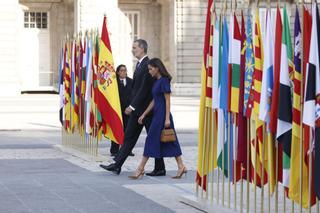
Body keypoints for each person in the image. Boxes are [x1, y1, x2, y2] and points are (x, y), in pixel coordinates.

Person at [100, 39, 166, 175]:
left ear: (142, 49)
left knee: (152, 138)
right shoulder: (140, 64)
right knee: (129, 137)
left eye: (135, 47)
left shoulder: (148, 64)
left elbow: (144, 89)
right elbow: (137, 89)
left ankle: (160, 168)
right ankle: (117, 165)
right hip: (139, 111)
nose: (133, 50)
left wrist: (132, 106)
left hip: (146, 111)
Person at [128, 58, 187, 180]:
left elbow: (167, 100)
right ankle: (181, 166)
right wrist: (144, 114)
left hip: (163, 116)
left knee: (151, 139)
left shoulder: (164, 81)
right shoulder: (157, 81)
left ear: (157, 68)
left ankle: (140, 168)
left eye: (150, 69)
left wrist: (167, 119)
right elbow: (154, 100)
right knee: (169, 141)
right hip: (157, 114)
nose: (149, 71)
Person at [109, 64, 134, 157]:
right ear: (118, 72)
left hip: (129, 110)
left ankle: (127, 150)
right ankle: (114, 150)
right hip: (117, 109)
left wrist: (132, 107)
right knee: (116, 129)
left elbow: (134, 94)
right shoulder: (114, 83)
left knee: (128, 130)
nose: (124, 72)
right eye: (121, 70)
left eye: (125, 70)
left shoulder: (131, 81)